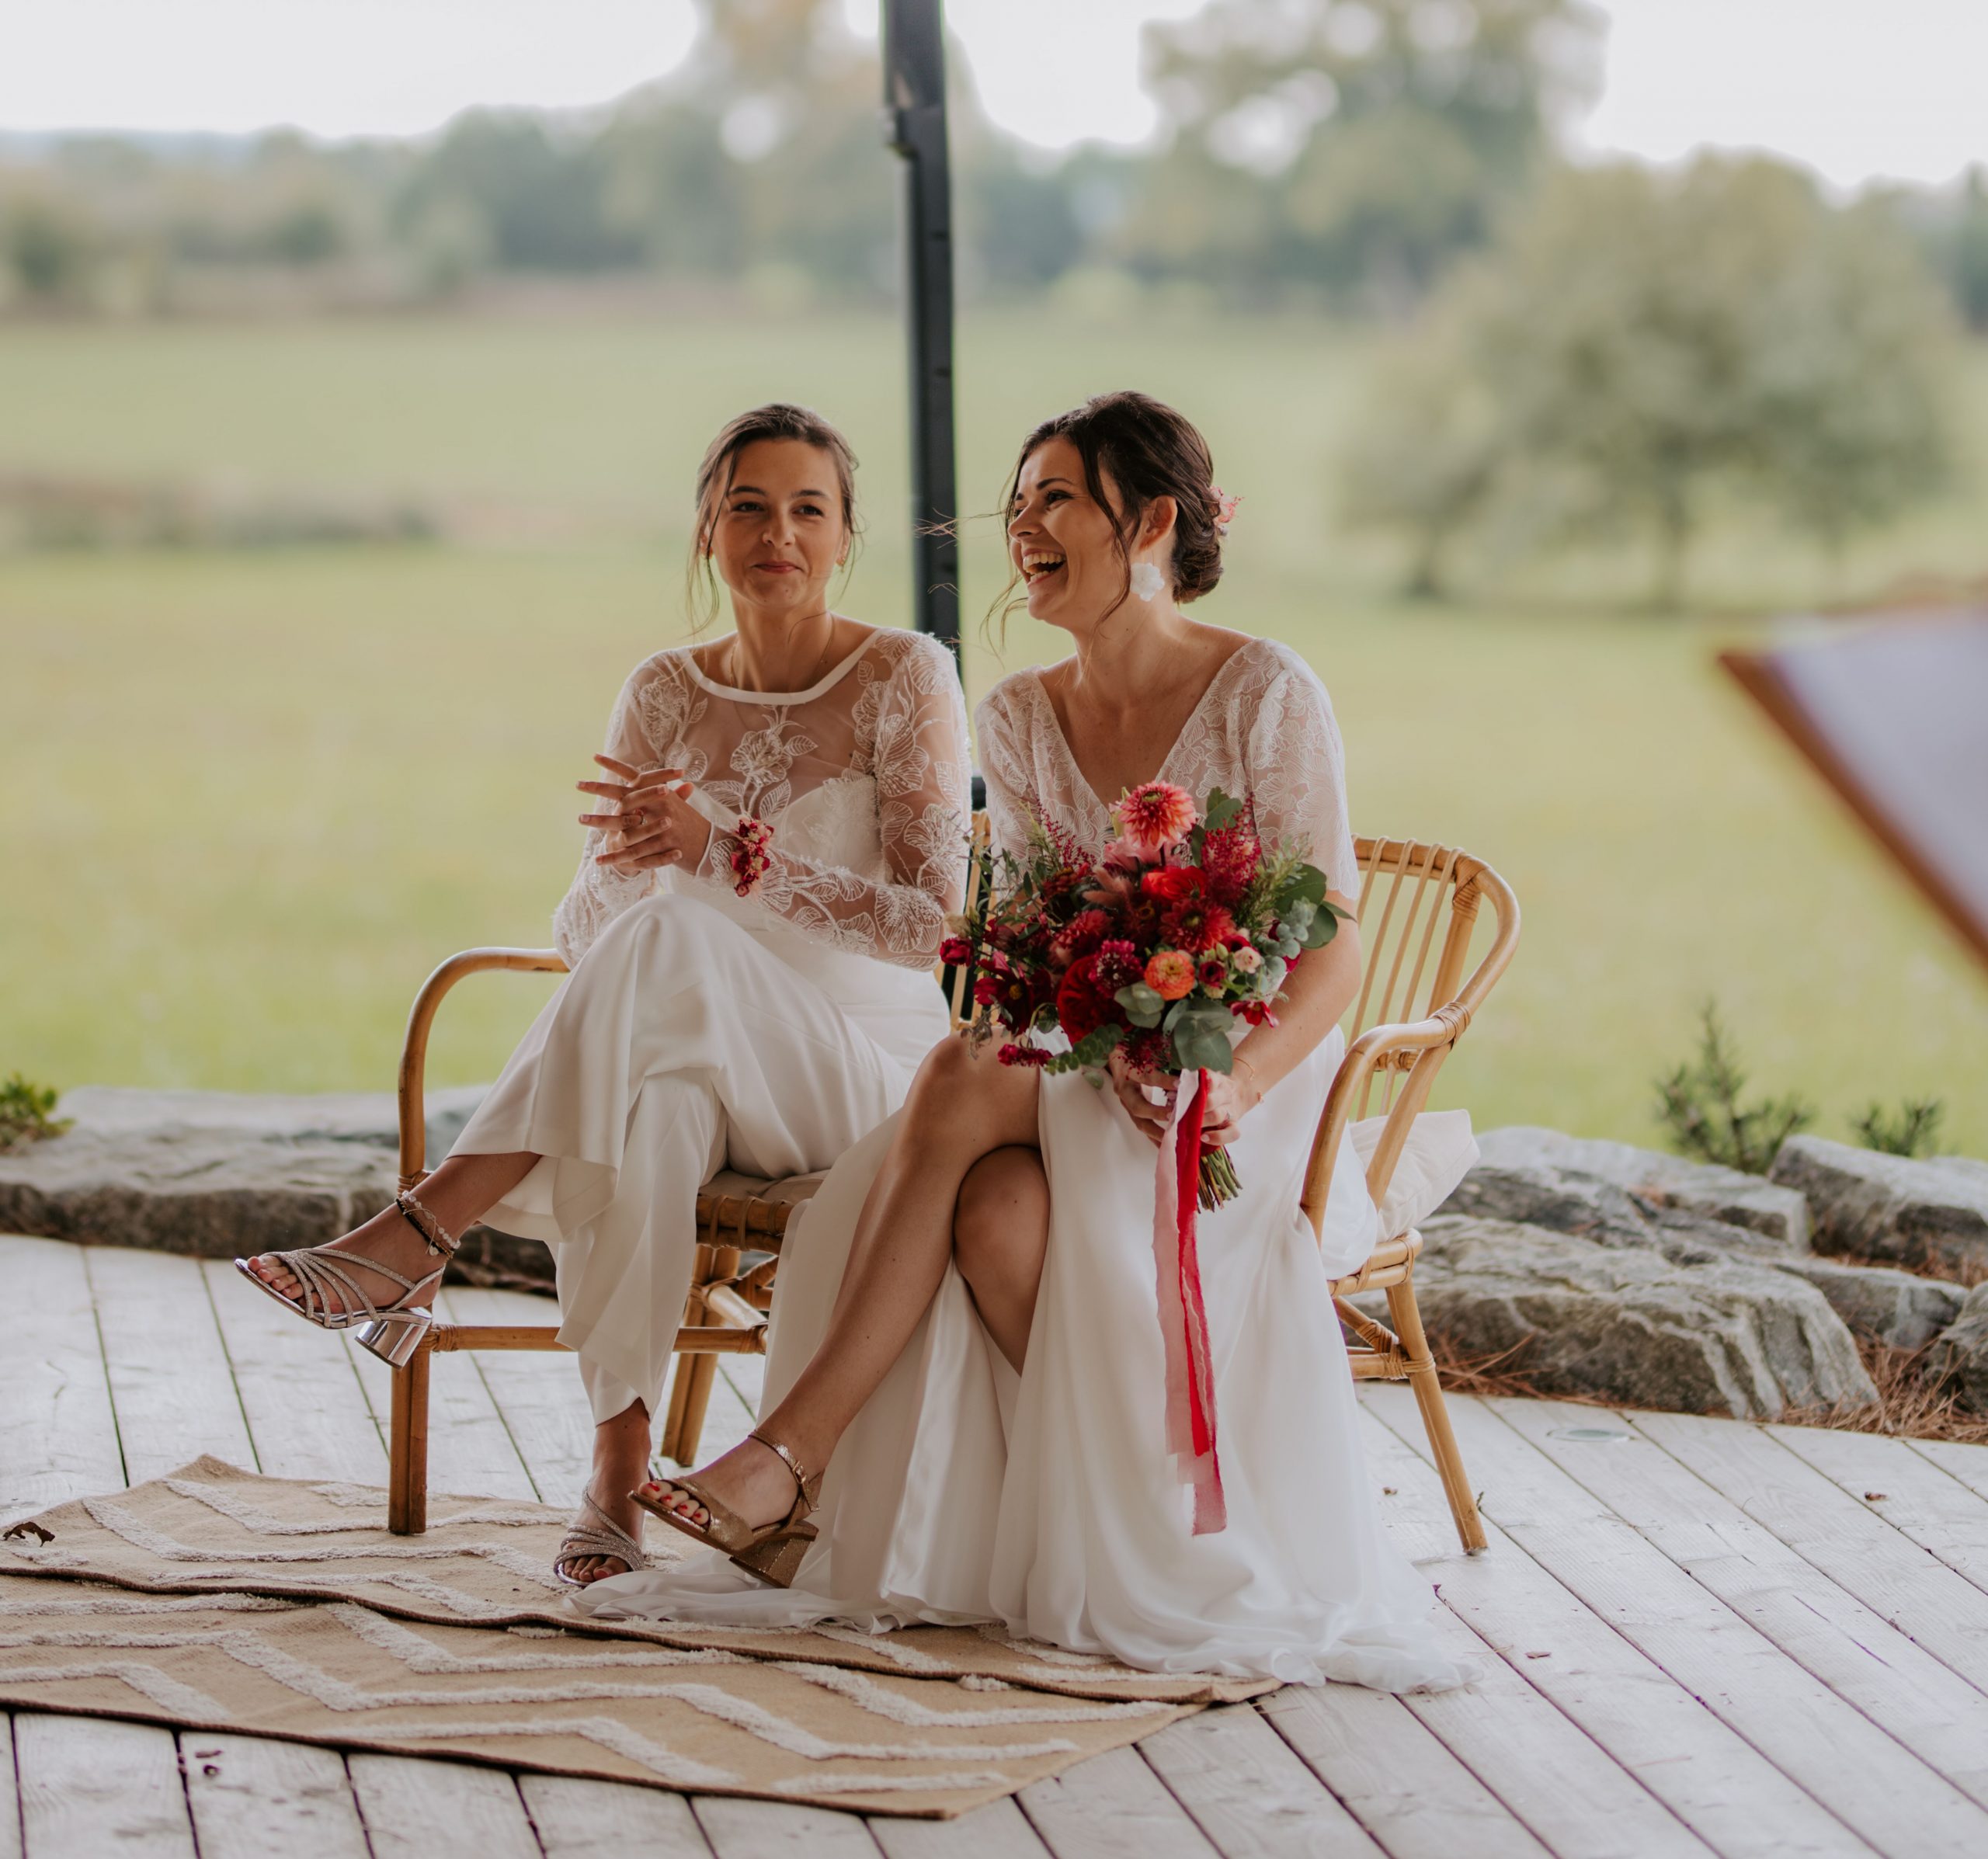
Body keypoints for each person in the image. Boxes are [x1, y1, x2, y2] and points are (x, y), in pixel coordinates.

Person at [572, 391, 1476, 1692]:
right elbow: (1047, 942)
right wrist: (1086, 1018)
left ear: (1152, 521)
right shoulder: (1018, 715)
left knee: (956, 1074)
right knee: (994, 1206)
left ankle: (791, 1455)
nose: (1024, 530)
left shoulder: (1267, 687)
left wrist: (1232, 1077)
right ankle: (1111, 1524)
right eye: (1020, 504)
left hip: (1246, 1081)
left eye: (1057, 500)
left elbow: (1332, 939)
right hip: (1089, 1054)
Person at [240, 402, 971, 1587]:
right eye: (747, 506)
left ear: (846, 538)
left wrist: (725, 847)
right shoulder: (663, 689)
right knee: (655, 1104)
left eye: (807, 509)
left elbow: (936, 923)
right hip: (692, 1044)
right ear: (704, 531)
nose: (776, 532)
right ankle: (617, 1470)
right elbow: (586, 932)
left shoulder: (904, 674)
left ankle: (425, 1226)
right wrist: (636, 866)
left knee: (681, 925)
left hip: (865, 1076)